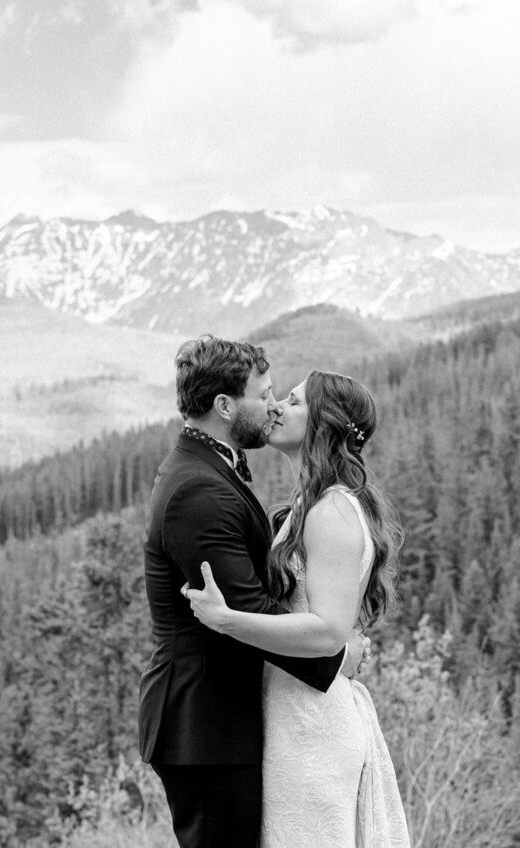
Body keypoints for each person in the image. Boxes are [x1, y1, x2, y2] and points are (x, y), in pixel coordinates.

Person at [138, 337, 369, 848]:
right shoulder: (198, 488)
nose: (272, 407)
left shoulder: (215, 468)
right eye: (263, 394)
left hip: (236, 724)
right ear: (224, 405)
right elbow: (246, 608)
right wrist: (335, 651)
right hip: (205, 728)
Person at [186, 369, 412, 848]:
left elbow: (328, 632)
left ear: (323, 423)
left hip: (313, 725)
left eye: (292, 402)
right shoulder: (310, 505)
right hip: (291, 715)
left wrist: (227, 620)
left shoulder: (332, 510)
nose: (276, 409)